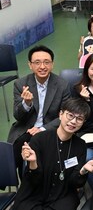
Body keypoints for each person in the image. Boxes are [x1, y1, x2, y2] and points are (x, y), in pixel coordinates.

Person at [9, 46, 71, 177]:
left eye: (46, 62)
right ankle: (12, 180)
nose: (42, 66)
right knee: (19, 148)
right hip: (26, 128)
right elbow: (18, 116)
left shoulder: (62, 84)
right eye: (37, 62)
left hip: (50, 128)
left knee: (32, 148)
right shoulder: (21, 84)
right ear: (30, 65)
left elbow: (66, 115)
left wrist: (42, 129)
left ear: (52, 64)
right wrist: (26, 104)